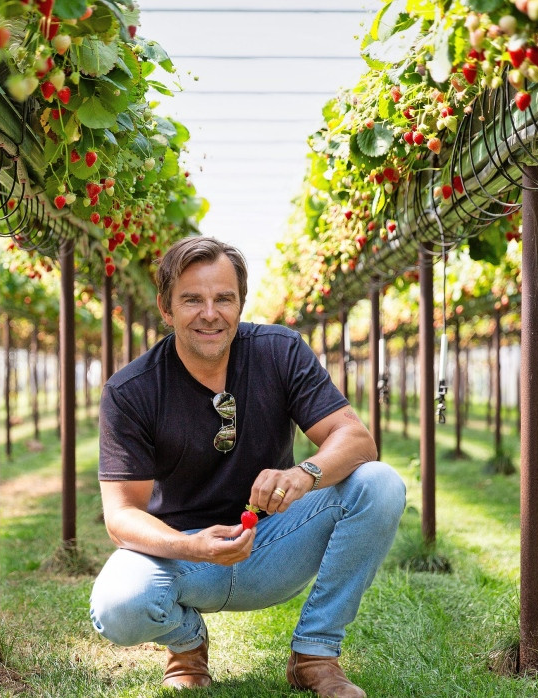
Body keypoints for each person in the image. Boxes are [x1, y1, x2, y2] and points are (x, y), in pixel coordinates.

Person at [89, 237, 406, 697]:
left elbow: (357, 440)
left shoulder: (280, 351)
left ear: (240, 302)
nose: (210, 313)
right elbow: (121, 518)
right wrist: (192, 546)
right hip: (183, 559)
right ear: (165, 307)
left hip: (275, 541)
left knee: (379, 483)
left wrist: (303, 475)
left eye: (223, 298)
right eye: (192, 300)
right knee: (117, 606)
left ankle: (315, 654)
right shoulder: (131, 390)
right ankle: (187, 643)